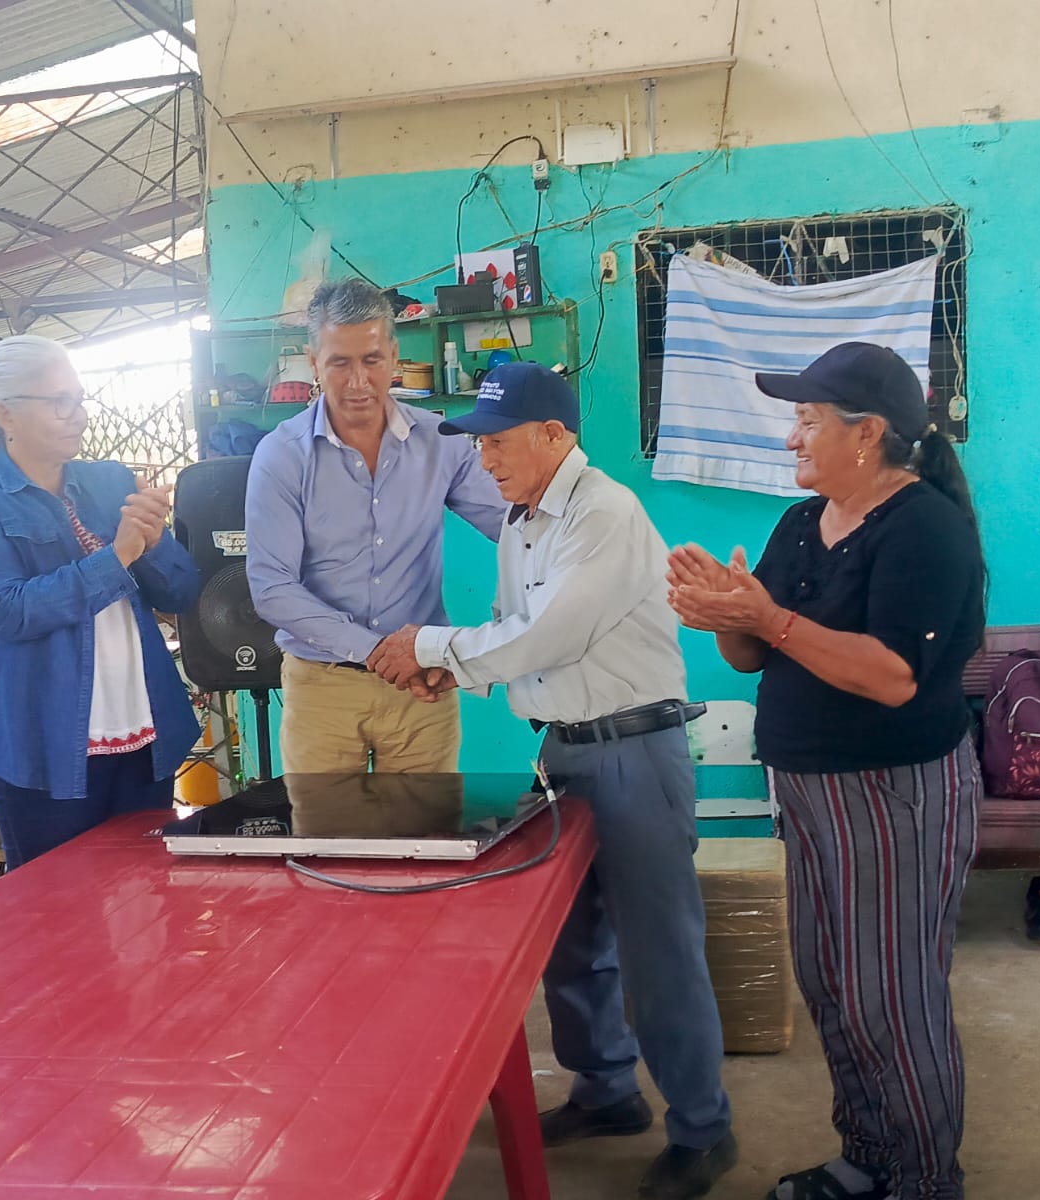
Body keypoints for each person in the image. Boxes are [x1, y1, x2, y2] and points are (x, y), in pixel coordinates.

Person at [369, 362, 736, 1200]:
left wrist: (429, 648)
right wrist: (452, 671)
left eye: (498, 442)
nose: (485, 458)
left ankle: (702, 1129)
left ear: (554, 435)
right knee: (571, 943)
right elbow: (515, 630)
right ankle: (606, 1092)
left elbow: (548, 638)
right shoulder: (520, 521)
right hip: (565, 753)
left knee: (659, 953)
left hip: (634, 754)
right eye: (479, 444)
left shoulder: (605, 512)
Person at [666, 342, 986, 1200]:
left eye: (807, 422)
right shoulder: (803, 523)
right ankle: (868, 1158)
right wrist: (725, 612)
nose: (791, 439)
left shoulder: (923, 529)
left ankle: (923, 1180)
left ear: (867, 432)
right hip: (806, 790)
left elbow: (892, 676)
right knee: (833, 984)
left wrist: (767, 618)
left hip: (894, 794)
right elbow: (752, 655)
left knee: (893, 997)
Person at [0, 334, 201, 869]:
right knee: (54, 902)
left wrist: (152, 544)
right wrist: (118, 555)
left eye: (78, 399)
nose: (76, 415)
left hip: (143, 732)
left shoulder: (110, 480)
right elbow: (7, 613)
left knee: (145, 894)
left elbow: (180, 591)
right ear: (4, 414)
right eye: (58, 401)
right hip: (42, 743)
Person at [245, 278, 506, 773]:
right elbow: (272, 587)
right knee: (327, 825)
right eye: (339, 363)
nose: (357, 381)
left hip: (421, 690)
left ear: (394, 355)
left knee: (426, 823)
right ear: (314, 362)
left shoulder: (442, 441)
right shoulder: (281, 456)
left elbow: (515, 527)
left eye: (371, 360)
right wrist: (379, 650)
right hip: (322, 687)